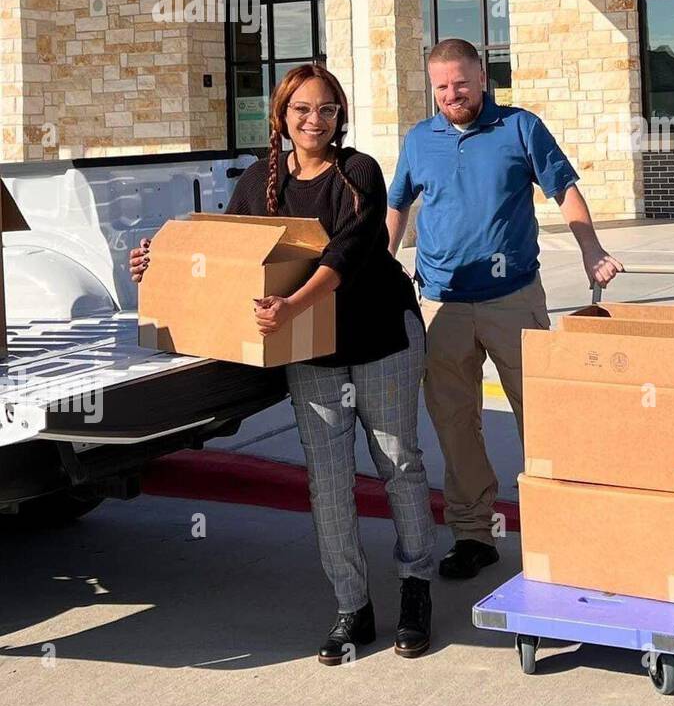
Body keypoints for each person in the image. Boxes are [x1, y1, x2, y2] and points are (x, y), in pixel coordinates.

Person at [131, 64, 439, 664]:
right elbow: (225, 249)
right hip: (310, 349)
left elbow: (347, 252)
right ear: (283, 116)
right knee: (328, 481)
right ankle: (352, 606)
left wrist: (292, 304)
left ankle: (415, 588)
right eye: (302, 109)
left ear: (339, 115)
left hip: (382, 335)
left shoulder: (359, 173)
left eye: (326, 109)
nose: (314, 120)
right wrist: (158, 260)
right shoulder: (259, 182)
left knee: (398, 462)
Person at [386, 38, 623, 581]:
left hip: (511, 298)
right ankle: (473, 535)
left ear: (483, 79)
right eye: (442, 86)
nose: (452, 94)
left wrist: (591, 250)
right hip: (441, 303)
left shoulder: (520, 127)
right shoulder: (421, 139)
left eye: (461, 83)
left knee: (540, 415)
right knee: (454, 422)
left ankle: (565, 525)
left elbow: (564, 190)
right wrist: (383, 267)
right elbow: (397, 205)